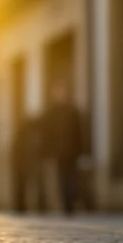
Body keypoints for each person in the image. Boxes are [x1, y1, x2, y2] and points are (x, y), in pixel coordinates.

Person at [42, 81, 86, 216]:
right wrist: (47, 150)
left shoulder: (73, 112)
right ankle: (65, 204)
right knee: (61, 178)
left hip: (72, 151)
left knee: (72, 177)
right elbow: (47, 133)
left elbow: (79, 133)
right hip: (58, 152)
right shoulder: (50, 113)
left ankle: (71, 203)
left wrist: (82, 150)